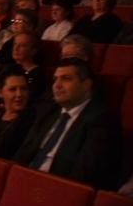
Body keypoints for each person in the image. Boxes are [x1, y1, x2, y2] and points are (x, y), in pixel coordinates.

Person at [13, 58, 121, 186]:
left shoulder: (102, 120)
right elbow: (24, 152)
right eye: (55, 79)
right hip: (24, 180)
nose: (57, 85)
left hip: (56, 188)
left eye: (66, 79)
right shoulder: (48, 111)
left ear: (86, 85)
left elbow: (84, 173)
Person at [0, 66, 36, 160]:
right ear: (0, 92)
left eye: (23, 89)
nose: (19, 94)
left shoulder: (32, 120)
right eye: (13, 89)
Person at [10, 30, 46, 101]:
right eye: (15, 44)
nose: (16, 48)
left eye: (22, 45)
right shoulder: (7, 69)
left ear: (33, 51)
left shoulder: (37, 75)